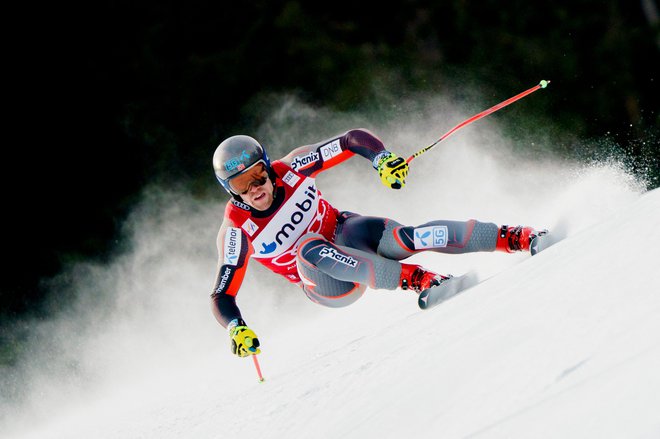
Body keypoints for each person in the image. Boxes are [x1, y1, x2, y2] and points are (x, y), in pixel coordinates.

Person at [210, 129, 544, 357]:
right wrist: (235, 328)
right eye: (241, 184)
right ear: (230, 190)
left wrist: (381, 159)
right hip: (327, 282)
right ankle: (416, 279)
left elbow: (350, 140)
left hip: (348, 236)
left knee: (406, 238)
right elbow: (222, 294)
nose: (255, 188)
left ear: (267, 167)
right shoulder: (237, 230)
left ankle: (512, 237)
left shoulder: (293, 167)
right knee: (309, 245)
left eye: (257, 175)